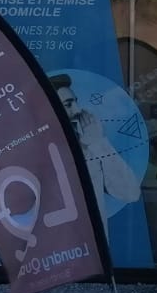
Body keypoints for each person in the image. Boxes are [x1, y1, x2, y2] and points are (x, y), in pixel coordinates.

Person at [52, 74, 141, 205]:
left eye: (76, 102)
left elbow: (131, 193)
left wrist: (98, 143)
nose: (77, 110)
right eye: (68, 105)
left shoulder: (90, 148)